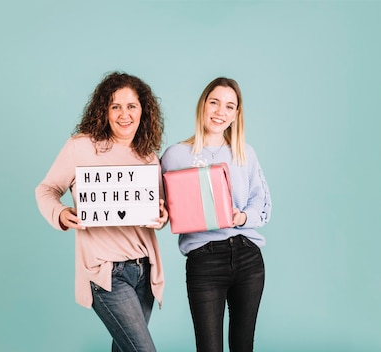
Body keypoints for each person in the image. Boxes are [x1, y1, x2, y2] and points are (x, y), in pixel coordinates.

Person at [35, 71, 169, 352]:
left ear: (143, 111)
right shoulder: (81, 147)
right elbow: (46, 189)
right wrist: (59, 213)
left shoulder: (148, 156)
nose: (124, 114)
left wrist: (162, 215)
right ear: (104, 111)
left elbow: (156, 208)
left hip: (144, 269)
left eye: (132, 106)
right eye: (115, 106)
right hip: (106, 272)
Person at [160, 77, 272, 352]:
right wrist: (161, 213)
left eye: (229, 106)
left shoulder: (245, 153)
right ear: (203, 105)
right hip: (204, 261)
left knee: (243, 346)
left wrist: (241, 217)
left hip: (248, 257)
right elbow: (160, 209)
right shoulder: (175, 156)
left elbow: (263, 204)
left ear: (236, 115)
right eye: (214, 102)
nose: (220, 111)